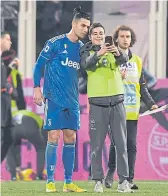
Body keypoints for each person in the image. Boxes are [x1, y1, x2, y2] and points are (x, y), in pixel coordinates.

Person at [33, 7, 90, 193]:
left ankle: (68, 182)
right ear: (73, 24)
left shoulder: (82, 50)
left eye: (88, 27)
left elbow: (89, 72)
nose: (85, 29)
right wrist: (36, 88)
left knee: (70, 137)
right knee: (53, 136)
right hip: (54, 98)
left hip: (72, 101)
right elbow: (38, 65)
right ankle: (50, 181)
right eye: (83, 25)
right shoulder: (55, 43)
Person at [80, 23, 133, 193]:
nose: (98, 36)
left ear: (105, 35)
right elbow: (86, 65)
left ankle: (124, 181)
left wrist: (117, 52)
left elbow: (125, 59)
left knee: (121, 145)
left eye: (101, 33)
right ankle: (97, 181)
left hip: (117, 102)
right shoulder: (86, 51)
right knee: (97, 146)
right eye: (95, 33)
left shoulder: (113, 50)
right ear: (90, 37)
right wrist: (99, 53)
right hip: (97, 104)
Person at [104, 25, 159, 190]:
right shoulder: (110, 58)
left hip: (133, 111)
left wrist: (151, 104)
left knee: (132, 146)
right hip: (115, 108)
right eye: (122, 36)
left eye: (128, 36)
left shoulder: (137, 61)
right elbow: (105, 83)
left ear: (131, 39)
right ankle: (111, 172)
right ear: (117, 39)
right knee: (116, 144)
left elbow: (142, 87)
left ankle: (129, 179)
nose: (125, 39)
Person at [5, 110, 47, 181]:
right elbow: (44, 133)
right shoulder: (36, 116)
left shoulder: (14, 113)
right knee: (41, 148)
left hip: (13, 128)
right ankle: (39, 176)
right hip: (29, 126)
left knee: (9, 148)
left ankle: (13, 176)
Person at [141, 67, 168, 140]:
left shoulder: (137, 65)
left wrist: (144, 88)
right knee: (155, 110)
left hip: (146, 93)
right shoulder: (117, 68)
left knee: (167, 91)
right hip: (134, 101)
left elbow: (153, 80)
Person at [1, 31, 14, 163]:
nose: (10, 42)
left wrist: (10, 68)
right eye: (7, 39)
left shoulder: (2, 60)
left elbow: (2, 80)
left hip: (5, 101)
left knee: (9, 137)